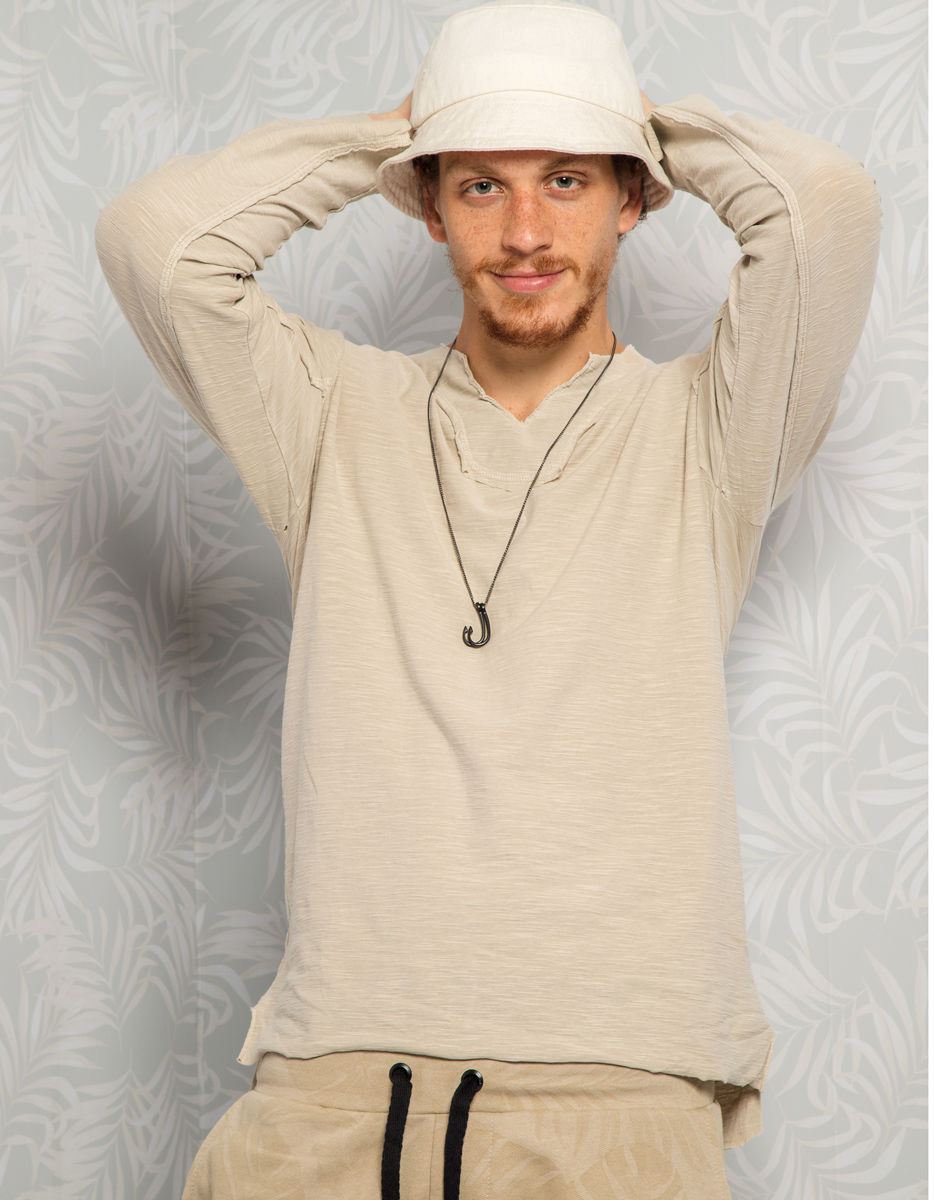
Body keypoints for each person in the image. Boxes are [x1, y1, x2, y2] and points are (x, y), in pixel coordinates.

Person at [94, 0, 881, 1196]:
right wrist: (395, 139)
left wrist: (634, 123)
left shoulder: (710, 432)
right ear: (429, 207)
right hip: (328, 1099)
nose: (523, 231)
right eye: (478, 186)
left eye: (566, 180)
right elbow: (154, 243)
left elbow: (823, 206)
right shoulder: (329, 417)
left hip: (617, 1106)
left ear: (631, 196)